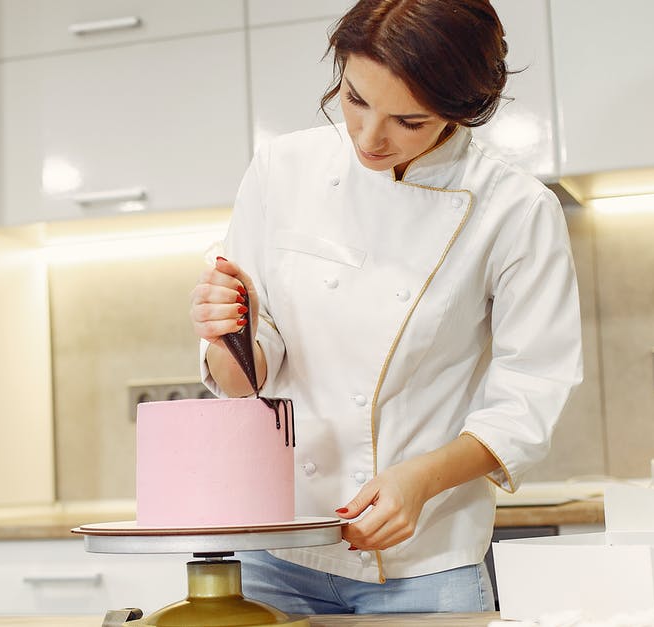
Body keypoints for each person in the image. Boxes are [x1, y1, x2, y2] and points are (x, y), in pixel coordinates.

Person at [190, 0, 582, 615]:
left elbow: (530, 391)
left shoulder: (515, 209)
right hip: (276, 546)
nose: (370, 138)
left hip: (426, 562)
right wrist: (223, 337)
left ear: (464, 110)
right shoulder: (281, 170)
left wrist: (421, 480)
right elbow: (247, 381)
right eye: (354, 100)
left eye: (409, 121)